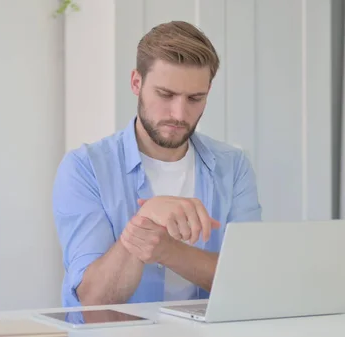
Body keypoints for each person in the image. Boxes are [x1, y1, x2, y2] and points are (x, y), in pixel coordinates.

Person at [52, 20, 262, 308]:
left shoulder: (233, 167)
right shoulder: (85, 168)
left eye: (194, 98)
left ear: (208, 92)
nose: (179, 113)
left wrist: (166, 249)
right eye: (166, 95)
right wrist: (144, 222)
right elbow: (94, 300)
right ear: (136, 83)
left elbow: (250, 280)